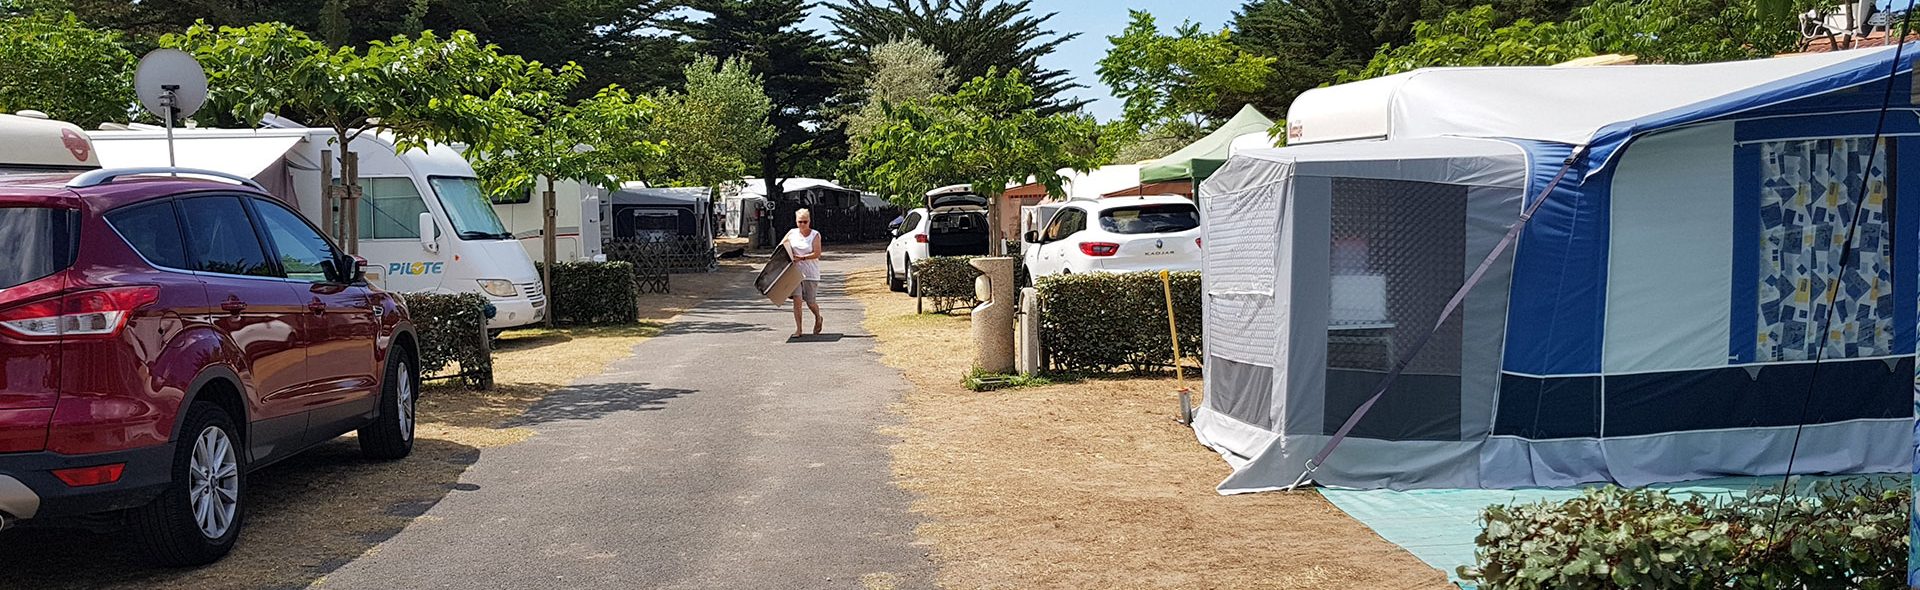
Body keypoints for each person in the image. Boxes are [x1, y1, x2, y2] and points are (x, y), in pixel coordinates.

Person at [783, 208, 825, 338]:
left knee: (810, 302)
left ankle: (818, 317)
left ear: (809, 221)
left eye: (805, 222)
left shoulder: (815, 235)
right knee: (797, 300)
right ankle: (799, 329)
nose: (802, 224)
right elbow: (782, 247)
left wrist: (802, 258)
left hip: (810, 273)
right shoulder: (792, 233)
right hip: (795, 273)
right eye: (800, 222)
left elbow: (817, 254)